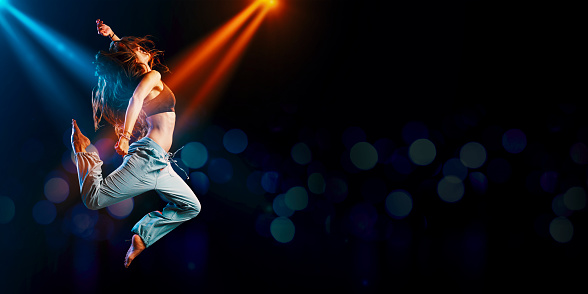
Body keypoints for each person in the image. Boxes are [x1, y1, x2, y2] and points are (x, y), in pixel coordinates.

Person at [70, 19, 201, 268]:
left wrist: (112, 35)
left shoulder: (145, 76)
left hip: (162, 165)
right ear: (137, 58)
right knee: (93, 199)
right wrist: (126, 135)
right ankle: (84, 152)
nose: (142, 50)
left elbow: (127, 54)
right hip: (147, 158)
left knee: (191, 206)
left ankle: (142, 236)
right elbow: (135, 100)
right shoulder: (153, 76)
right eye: (139, 50)